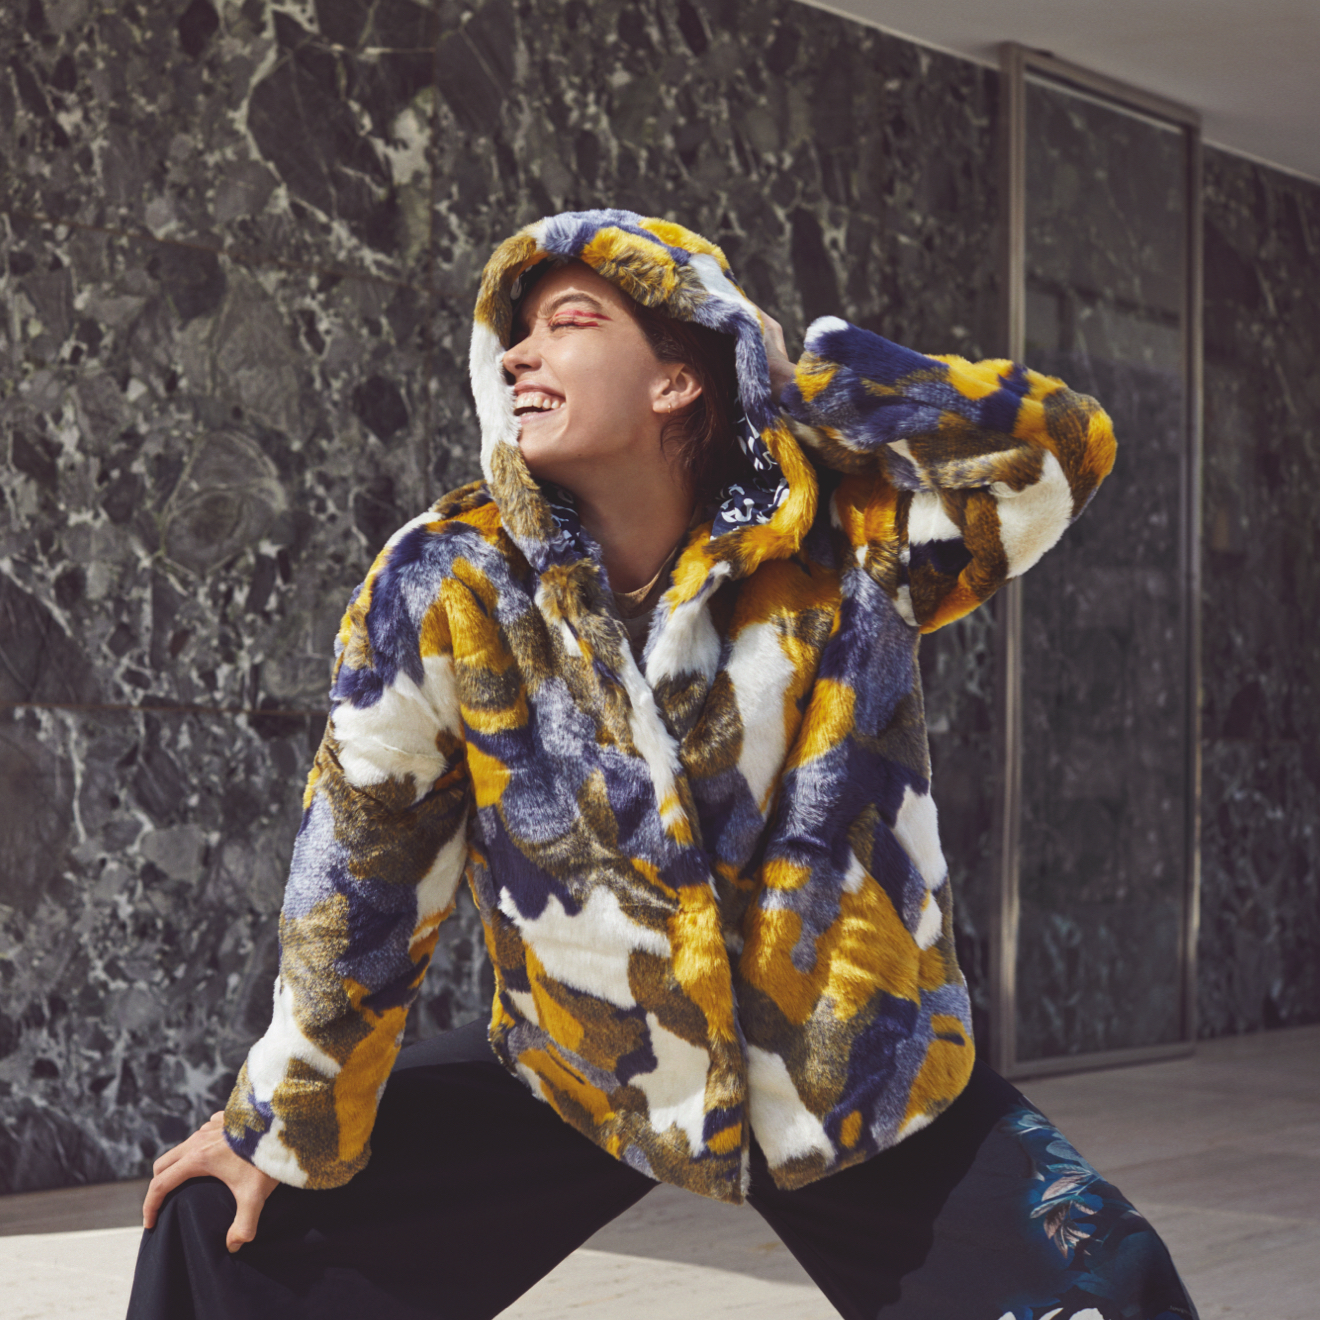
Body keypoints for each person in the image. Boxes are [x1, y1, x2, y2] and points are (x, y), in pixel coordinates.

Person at [128, 209, 1197, 1320]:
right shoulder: (447, 580)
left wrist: (796, 373)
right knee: (222, 1231)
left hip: (849, 1068)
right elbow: (362, 866)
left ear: (680, 378)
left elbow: (1060, 450)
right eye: (514, 336)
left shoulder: (849, 537)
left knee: (1105, 1286)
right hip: (590, 1065)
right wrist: (281, 1118)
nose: (519, 355)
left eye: (567, 322)